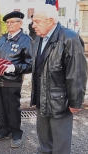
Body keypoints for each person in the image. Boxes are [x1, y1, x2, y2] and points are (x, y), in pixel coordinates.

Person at [31, 4, 87, 153]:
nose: (33, 25)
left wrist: (76, 101)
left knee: (60, 143)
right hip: (41, 99)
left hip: (60, 101)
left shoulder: (69, 38)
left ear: (50, 21)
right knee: (44, 140)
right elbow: (37, 67)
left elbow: (77, 73)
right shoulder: (38, 39)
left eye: (37, 21)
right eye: (33, 21)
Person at [0, 11, 32, 148]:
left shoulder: (26, 40)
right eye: (7, 22)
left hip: (12, 81)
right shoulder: (2, 38)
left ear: (20, 23)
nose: (9, 24)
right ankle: (3, 131)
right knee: (0, 108)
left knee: (13, 109)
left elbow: (31, 65)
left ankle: (16, 135)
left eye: (12, 22)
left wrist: (14, 68)